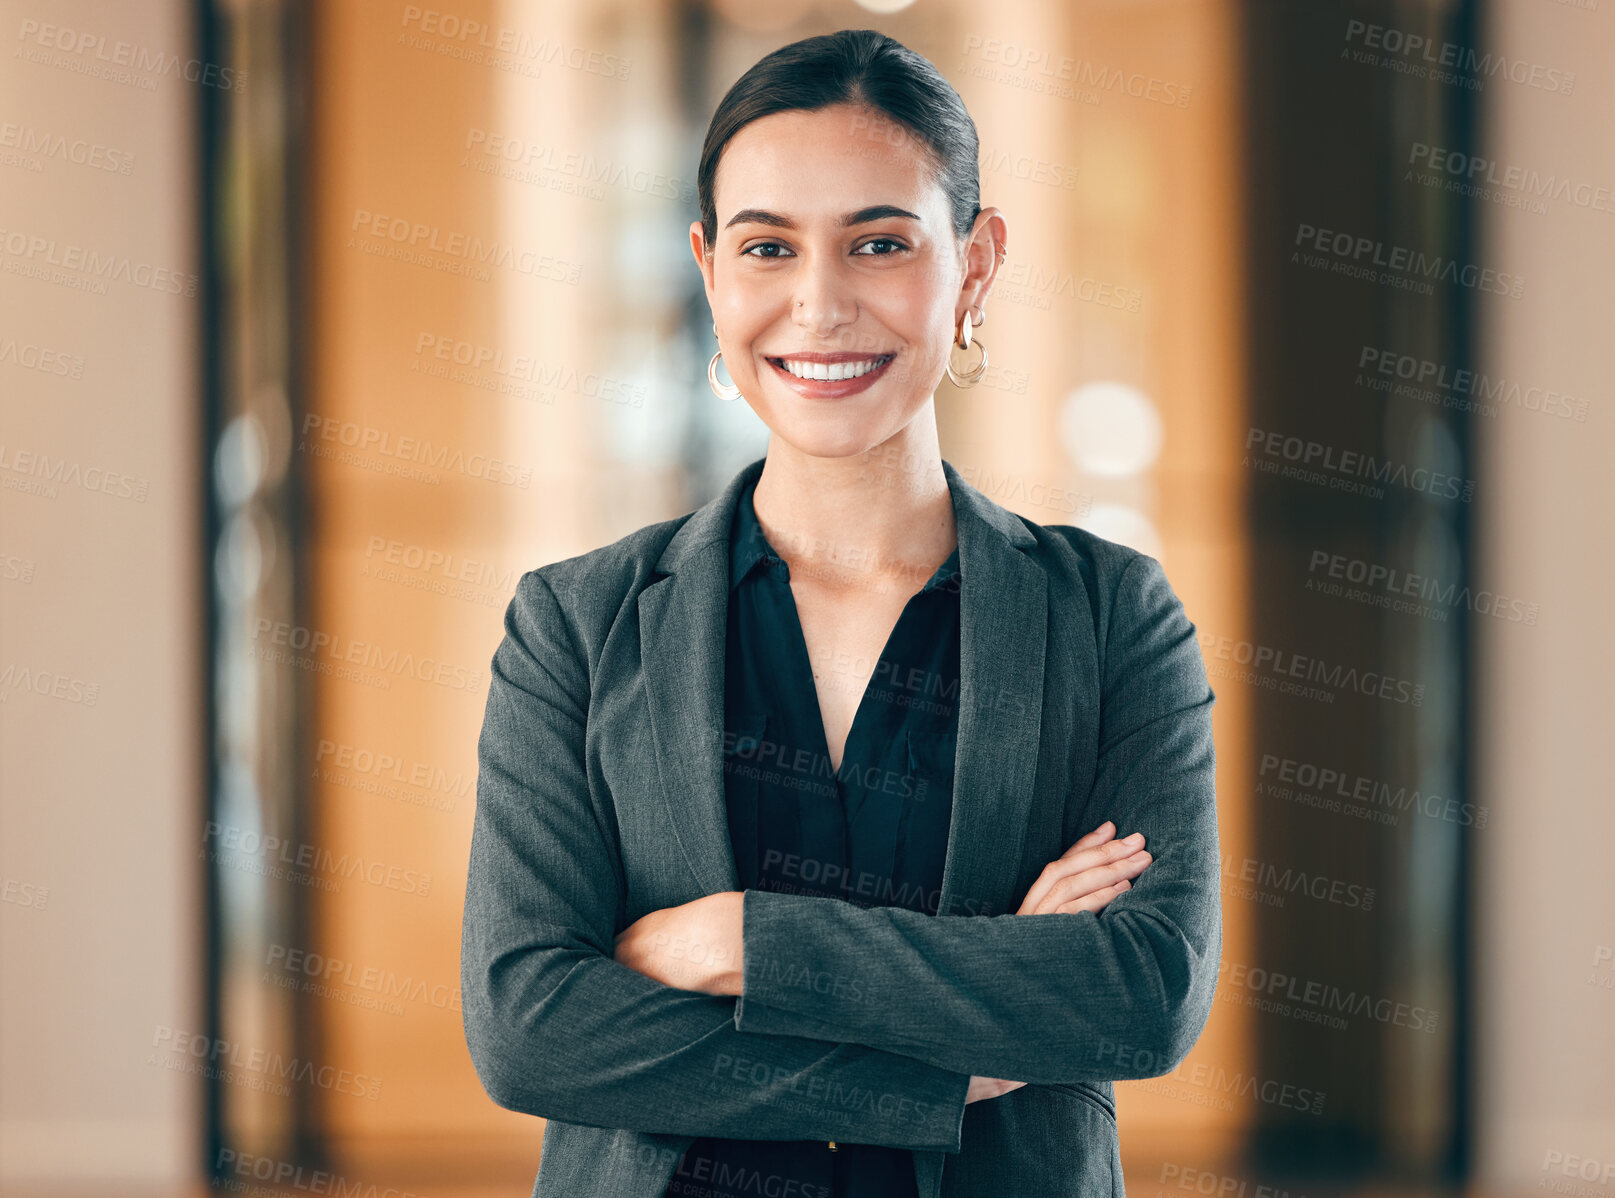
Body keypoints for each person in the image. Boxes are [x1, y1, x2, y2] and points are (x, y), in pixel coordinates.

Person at [461, 28, 1222, 1198]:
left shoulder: (1114, 618)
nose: (819, 305)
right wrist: (963, 1044)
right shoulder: (574, 625)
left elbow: (1141, 992)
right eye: (769, 247)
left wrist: (733, 943)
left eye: (879, 242)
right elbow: (531, 1025)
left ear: (974, 267)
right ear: (711, 271)